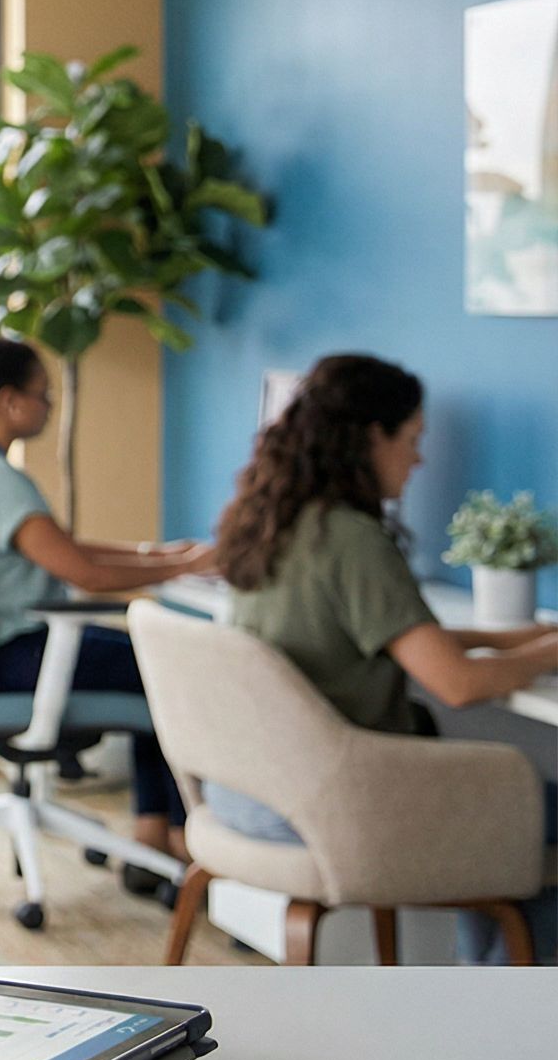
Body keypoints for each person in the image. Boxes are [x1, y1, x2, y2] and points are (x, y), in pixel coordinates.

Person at [209, 354, 558, 963]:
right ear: (374, 435)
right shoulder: (351, 539)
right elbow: (457, 684)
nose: (420, 459)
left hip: (247, 791)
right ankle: (514, 1020)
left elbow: (405, 637)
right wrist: (546, 654)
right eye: (414, 439)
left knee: (506, 812)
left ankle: (483, 993)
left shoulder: (270, 522)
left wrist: (516, 641)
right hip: (332, 808)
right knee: (531, 810)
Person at [0, 335, 214, 892]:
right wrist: (179, 570)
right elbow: (87, 574)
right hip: (19, 654)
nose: (50, 405)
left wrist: (166, 556)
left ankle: (154, 833)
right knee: (176, 669)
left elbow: (65, 548)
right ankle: (174, 840)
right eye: (43, 394)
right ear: (9, 401)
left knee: (156, 662)